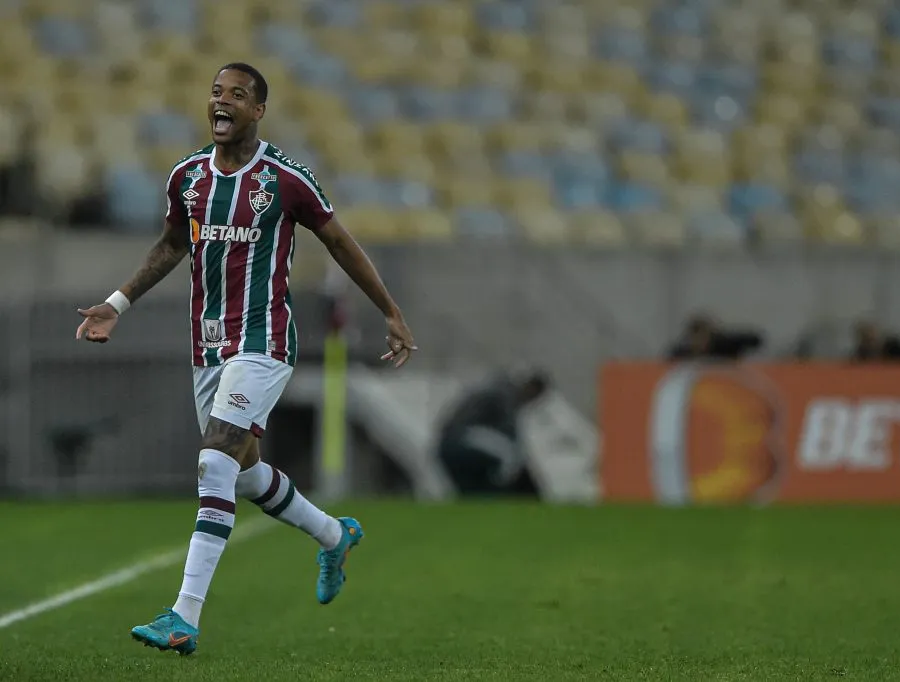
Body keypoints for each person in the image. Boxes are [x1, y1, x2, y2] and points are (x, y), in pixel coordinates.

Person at [74, 63, 417, 656]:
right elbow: (171, 246)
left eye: (237, 95)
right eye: (215, 93)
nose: (222, 102)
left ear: (258, 110)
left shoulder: (286, 181)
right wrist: (116, 303)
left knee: (214, 464)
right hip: (207, 348)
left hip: (263, 344)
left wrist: (389, 310)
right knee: (248, 473)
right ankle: (335, 536)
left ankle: (183, 616)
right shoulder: (187, 178)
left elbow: (339, 241)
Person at [436, 370, 549, 498]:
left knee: (471, 489)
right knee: (511, 457)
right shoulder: (506, 395)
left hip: (449, 442)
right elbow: (508, 431)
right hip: (464, 437)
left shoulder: (497, 389)